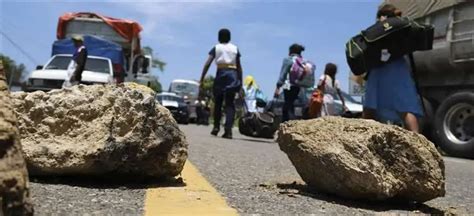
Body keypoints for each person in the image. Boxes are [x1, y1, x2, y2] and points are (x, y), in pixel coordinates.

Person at [362, 4, 423, 133]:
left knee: (371, 107)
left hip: (379, 69)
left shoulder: (381, 27)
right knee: (405, 109)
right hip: (399, 69)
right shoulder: (402, 26)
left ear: (381, 16)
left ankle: (365, 139)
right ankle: (417, 144)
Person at [199, 28, 243, 139]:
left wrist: (202, 78)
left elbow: (207, 63)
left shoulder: (216, 48)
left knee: (218, 103)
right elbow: (239, 66)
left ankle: (216, 127)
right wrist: (240, 81)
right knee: (230, 103)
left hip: (221, 74)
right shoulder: (235, 49)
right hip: (233, 75)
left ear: (219, 37)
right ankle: (228, 130)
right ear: (230, 38)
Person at [274, 43, 305, 122]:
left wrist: (278, 87)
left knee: (287, 106)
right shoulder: (302, 61)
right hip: (298, 86)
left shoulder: (288, 60)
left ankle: (287, 124)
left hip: (288, 85)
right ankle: (293, 123)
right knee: (293, 105)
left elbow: (283, 74)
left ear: (291, 51)